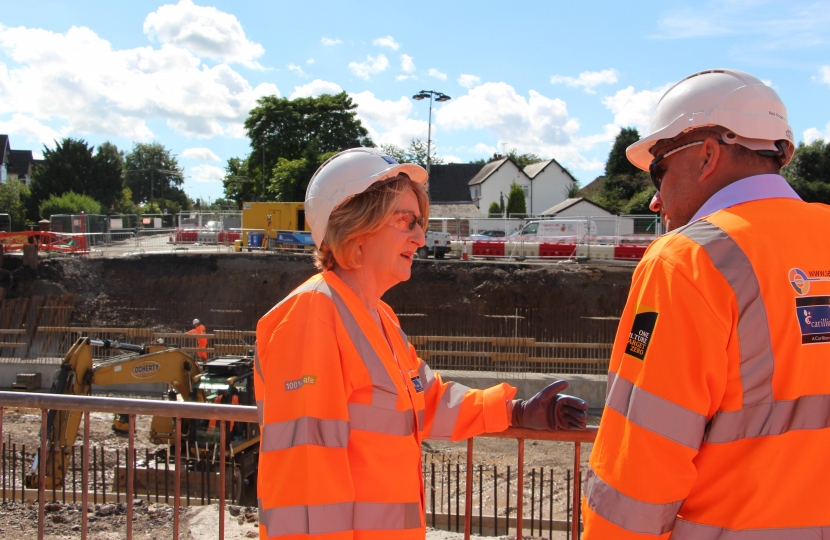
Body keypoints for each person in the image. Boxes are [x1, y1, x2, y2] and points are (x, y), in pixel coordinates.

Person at [254, 147, 588, 539]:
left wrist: (515, 412)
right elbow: (306, 485)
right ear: (356, 224)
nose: (420, 235)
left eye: (420, 221)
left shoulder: (379, 317)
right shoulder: (311, 317)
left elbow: (425, 401)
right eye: (405, 220)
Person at [582, 68, 830, 538]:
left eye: (660, 170)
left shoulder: (689, 260)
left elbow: (642, 465)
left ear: (708, 155)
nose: (655, 201)